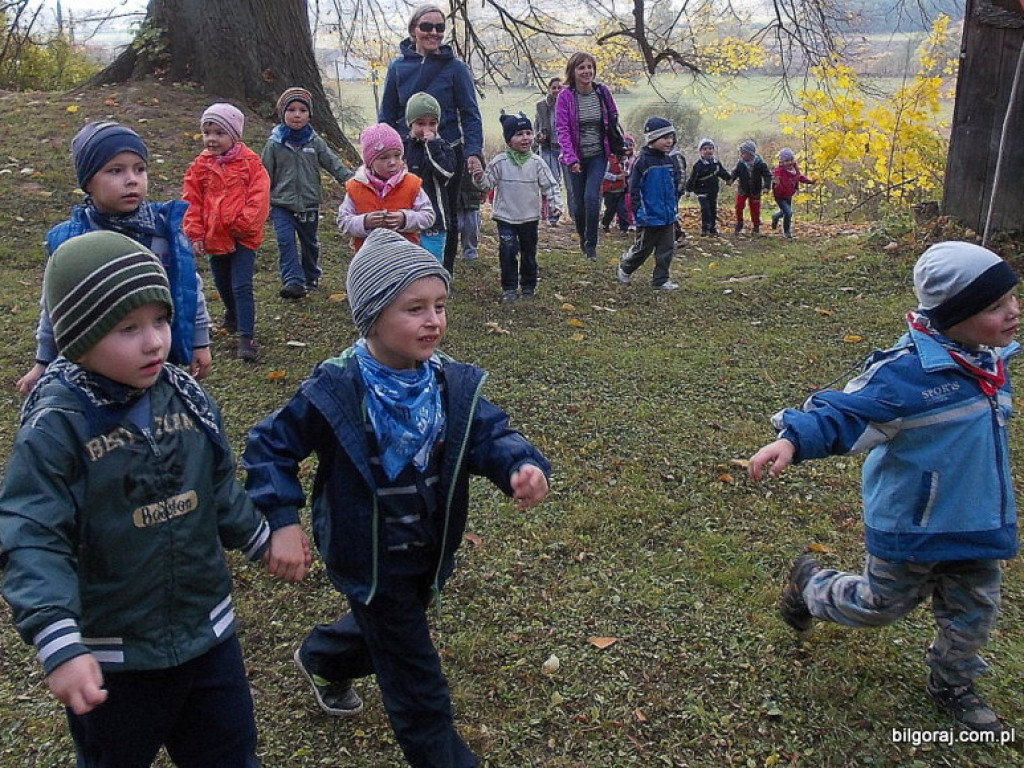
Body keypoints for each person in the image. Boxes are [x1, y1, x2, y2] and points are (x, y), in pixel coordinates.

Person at [242, 228, 551, 768]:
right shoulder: (336, 388)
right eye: (414, 308)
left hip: (426, 550)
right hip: (368, 553)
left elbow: (486, 434)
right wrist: (281, 520)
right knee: (416, 682)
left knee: (389, 625)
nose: (433, 320)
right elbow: (270, 446)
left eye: (439, 306)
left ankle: (322, 657)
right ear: (372, 317)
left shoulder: (448, 383)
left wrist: (519, 465)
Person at [0, 231, 296, 767]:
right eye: (127, 328)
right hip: (116, 657)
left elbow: (215, 483)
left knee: (230, 754)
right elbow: (31, 534)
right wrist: (57, 638)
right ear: (80, 337)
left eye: (160, 320)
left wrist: (258, 537)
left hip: (207, 634)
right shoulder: (58, 425)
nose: (155, 341)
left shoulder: (185, 397)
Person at [748, 241, 1021, 734]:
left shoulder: (988, 363)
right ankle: (810, 587)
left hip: (978, 523)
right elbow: (845, 412)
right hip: (911, 526)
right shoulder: (905, 377)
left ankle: (954, 683)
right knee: (879, 606)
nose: (1013, 312)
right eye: (995, 306)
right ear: (954, 315)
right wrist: (792, 441)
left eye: (1012, 299)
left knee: (974, 613)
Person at [17, 121, 212, 395]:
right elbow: (54, 307)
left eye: (139, 169)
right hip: (97, 369)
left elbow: (189, 287)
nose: (132, 179)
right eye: (115, 170)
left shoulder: (163, 232)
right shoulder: (73, 242)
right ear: (88, 182)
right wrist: (43, 361)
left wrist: (198, 342)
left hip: (157, 356)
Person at [379, 3, 484, 276]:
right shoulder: (399, 68)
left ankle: (441, 272)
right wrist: (383, 151)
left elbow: (470, 113)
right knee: (404, 207)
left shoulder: (455, 69)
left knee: (443, 213)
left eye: (439, 27)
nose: (434, 32)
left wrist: (473, 151)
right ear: (414, 30)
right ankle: (406, 269)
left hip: (445, 152)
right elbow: (387, 114)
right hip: (406, 155)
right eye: (427, 26)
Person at [183, 102, 270, 362]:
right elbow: (191, 200)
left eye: (219, 133)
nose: (212, 139)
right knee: (222, 282)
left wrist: (242, 225)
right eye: (207, 132)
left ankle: (247, 336)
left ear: (234, 135)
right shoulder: (200, 166)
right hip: (214, 235)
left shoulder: (251, 164)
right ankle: (232, 312)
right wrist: (196, 233)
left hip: (243, 237)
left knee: (241, 284)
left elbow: (259, 198)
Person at [262, 86, 353, 299]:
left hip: (309, 202)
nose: (296, 115)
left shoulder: (314, 141)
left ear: (309, 115)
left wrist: (350, 180)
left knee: (309, 242)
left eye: (302, 110)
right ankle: (293, 280)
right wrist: (260, 201)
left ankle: (311, 275)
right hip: (281, 203)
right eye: (291, 110)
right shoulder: (274, 144)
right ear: (282, 113)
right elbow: (264, 174)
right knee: (286, 241)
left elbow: (332, 162)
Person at [474, 112, 562, 302]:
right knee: (507, 252)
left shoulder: (537, 162)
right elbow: (486, 185)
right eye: (519, 134)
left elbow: (550, 185)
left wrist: (556, 204)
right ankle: (509, 287)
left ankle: (528, 286)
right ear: (508, 140)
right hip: (505, 217)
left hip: (529, 218)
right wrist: (479, 177)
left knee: (529, 253)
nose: (525, 138)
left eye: (528, 133)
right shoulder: (499, 162)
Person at [554, 50, 621, 261]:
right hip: (575, 156)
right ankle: (583, 237)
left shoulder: (602, 92)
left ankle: (591, 245)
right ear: (572, 72)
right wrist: (571, 158)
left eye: (589, 67)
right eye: (581, 67)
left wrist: (619, 147)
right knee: (579, 205)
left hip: (598, 155)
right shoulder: (565, 96)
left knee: (592, 198)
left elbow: (613, 119)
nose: (586, 71)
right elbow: (562, 129)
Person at [337, 123, 436, 254]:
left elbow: (428, 216)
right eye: (384, 158)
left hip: (406, 256)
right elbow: (343, 221)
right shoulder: (355, 187)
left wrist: (404, 219)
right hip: (368, 258)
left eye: (397, 155)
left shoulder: (411, 183)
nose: (392, 162)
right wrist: (365, 222)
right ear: (370, 162)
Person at [616, 117, 682, 291]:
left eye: (671, 137)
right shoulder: (642, 162)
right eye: (664, 137)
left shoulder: (669, 161)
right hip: (649, 216)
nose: (669, 141)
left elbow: (673, 186)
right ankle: (625, 267)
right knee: (643, 248)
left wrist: (674, 209)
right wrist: (639, 212)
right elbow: (634, 189)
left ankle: (660, 280)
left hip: (667, 215)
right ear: (652, 139)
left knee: (667, 249)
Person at [402, 92, 456, 262]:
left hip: (435, 221)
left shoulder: (443, 148)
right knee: (409, 266)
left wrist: (432, 146)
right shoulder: (402, 148)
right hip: (407, 219)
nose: (427, 129)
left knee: (431, 264)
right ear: (410, 124)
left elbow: (445, 173)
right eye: (420, 123)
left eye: (432, 123)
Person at [534, 76, 571, 225]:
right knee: (552, 182)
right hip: (549, 148)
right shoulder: (542, 107)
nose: (556, 90)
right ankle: (553, 217)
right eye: (553, 87)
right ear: (549, 89)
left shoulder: (569, 105)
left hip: (566, 149)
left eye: (559, 87)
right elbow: (536, 126)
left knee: (571, 184)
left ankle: (575, 217)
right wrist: (539, 137)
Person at [685, 138, 732, 236]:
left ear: (713, 150)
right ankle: (705, 228)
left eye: (710, 148)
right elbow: (692, 178)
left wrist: (728, 179)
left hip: (713, 190)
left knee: (712, 209)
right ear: (700, 151)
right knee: (705, 209)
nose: (708, 151)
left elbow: (722, 172)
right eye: (705, 149)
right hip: (701, 191)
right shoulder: (698, 165)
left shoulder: (716, 163)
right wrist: (688, 190)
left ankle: (712, 228)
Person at [770, 147, 815, 239]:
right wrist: (776, 182)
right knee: (788, 213)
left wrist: (810, 181)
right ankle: (786, 232)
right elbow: (775, 178)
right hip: (780, 196)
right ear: (782, 162)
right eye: (787, 161)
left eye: (791, 160)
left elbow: (799, 177)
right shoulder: (779, 171)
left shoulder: (794, 168)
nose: (790, 162)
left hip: (789, 194)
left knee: (784, 213)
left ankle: (775, 216)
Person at [730, 139, 772, 235]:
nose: (742, 155)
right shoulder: (740, 163)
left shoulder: (760, 163)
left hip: (755, 190)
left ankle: (756, 226)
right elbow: (735, 173)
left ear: (751, 154)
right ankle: (739, 223)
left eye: (744, 153)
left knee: (755, 209)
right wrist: (730, 180)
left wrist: (766, 186)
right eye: (741, 153)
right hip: (742, 189)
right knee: (738, 206)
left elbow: (767, 175)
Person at [455, 169, 483, 261]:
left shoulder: (475, 156)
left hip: (473, 195)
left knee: (471, 227)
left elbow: (481, 172)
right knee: (456, 225)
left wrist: (483, 190)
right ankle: (450, 253)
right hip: (454, 194)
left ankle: (470, 254)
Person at [600, 150, 629, 234]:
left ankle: (624, 229)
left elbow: (629, 171)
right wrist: (615, 177)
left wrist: (626, 174)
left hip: (621, 190)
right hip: (609, 191)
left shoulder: (625, 162)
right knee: (610, 210)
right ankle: (605, 224)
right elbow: (603, 173)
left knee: (622, 210)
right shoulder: (608, 161)